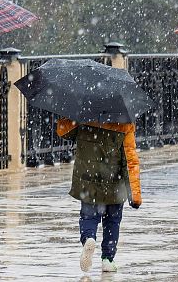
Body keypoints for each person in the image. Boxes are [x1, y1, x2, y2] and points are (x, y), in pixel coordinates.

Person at [56, 117, 142, 273]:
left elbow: (63, 132)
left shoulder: (84, 115)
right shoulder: (124, 122)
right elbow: (130, 160)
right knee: (112, 222)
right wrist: (134, 194)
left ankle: (89, 238)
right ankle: (107, 259)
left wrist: (69, 117)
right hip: (114, 182)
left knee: (89, 217)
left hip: (89, 180)